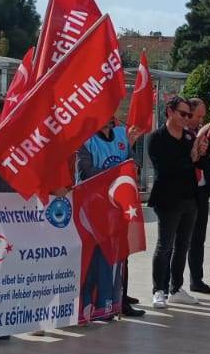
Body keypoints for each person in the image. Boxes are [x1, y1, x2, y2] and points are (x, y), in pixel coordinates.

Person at [78, 119, 143, 317]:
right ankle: (91, 307)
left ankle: (116, 303)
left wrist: (132, 168)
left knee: (119, 258)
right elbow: (85, 172)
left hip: (118, 208)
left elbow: (133, 164)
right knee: (94, 261)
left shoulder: (122, 136)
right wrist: (116, 174)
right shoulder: (86, 141)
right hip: (94, 210)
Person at [146, 97, 198, 309]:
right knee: (165, 245)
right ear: (170, 111)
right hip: (167, 199)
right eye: (183, 114)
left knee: (183, 246)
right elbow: (165, 168)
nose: (187, 118)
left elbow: (200, 161)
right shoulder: (156, 138)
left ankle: (176, 288)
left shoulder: (188, 137)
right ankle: (159, 289)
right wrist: (190, 158)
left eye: (189, 115)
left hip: (189, 198)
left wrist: (199, 151)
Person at [184, 97, 210, 297]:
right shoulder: (182, 134)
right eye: (197, 115)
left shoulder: (205, 132)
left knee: (199, 238)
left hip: (202, 191)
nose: (200, 119)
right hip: (185, 192)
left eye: (202, 116)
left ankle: (196, 279)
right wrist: (197, 141)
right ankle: (174, 282)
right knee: (180, 240)